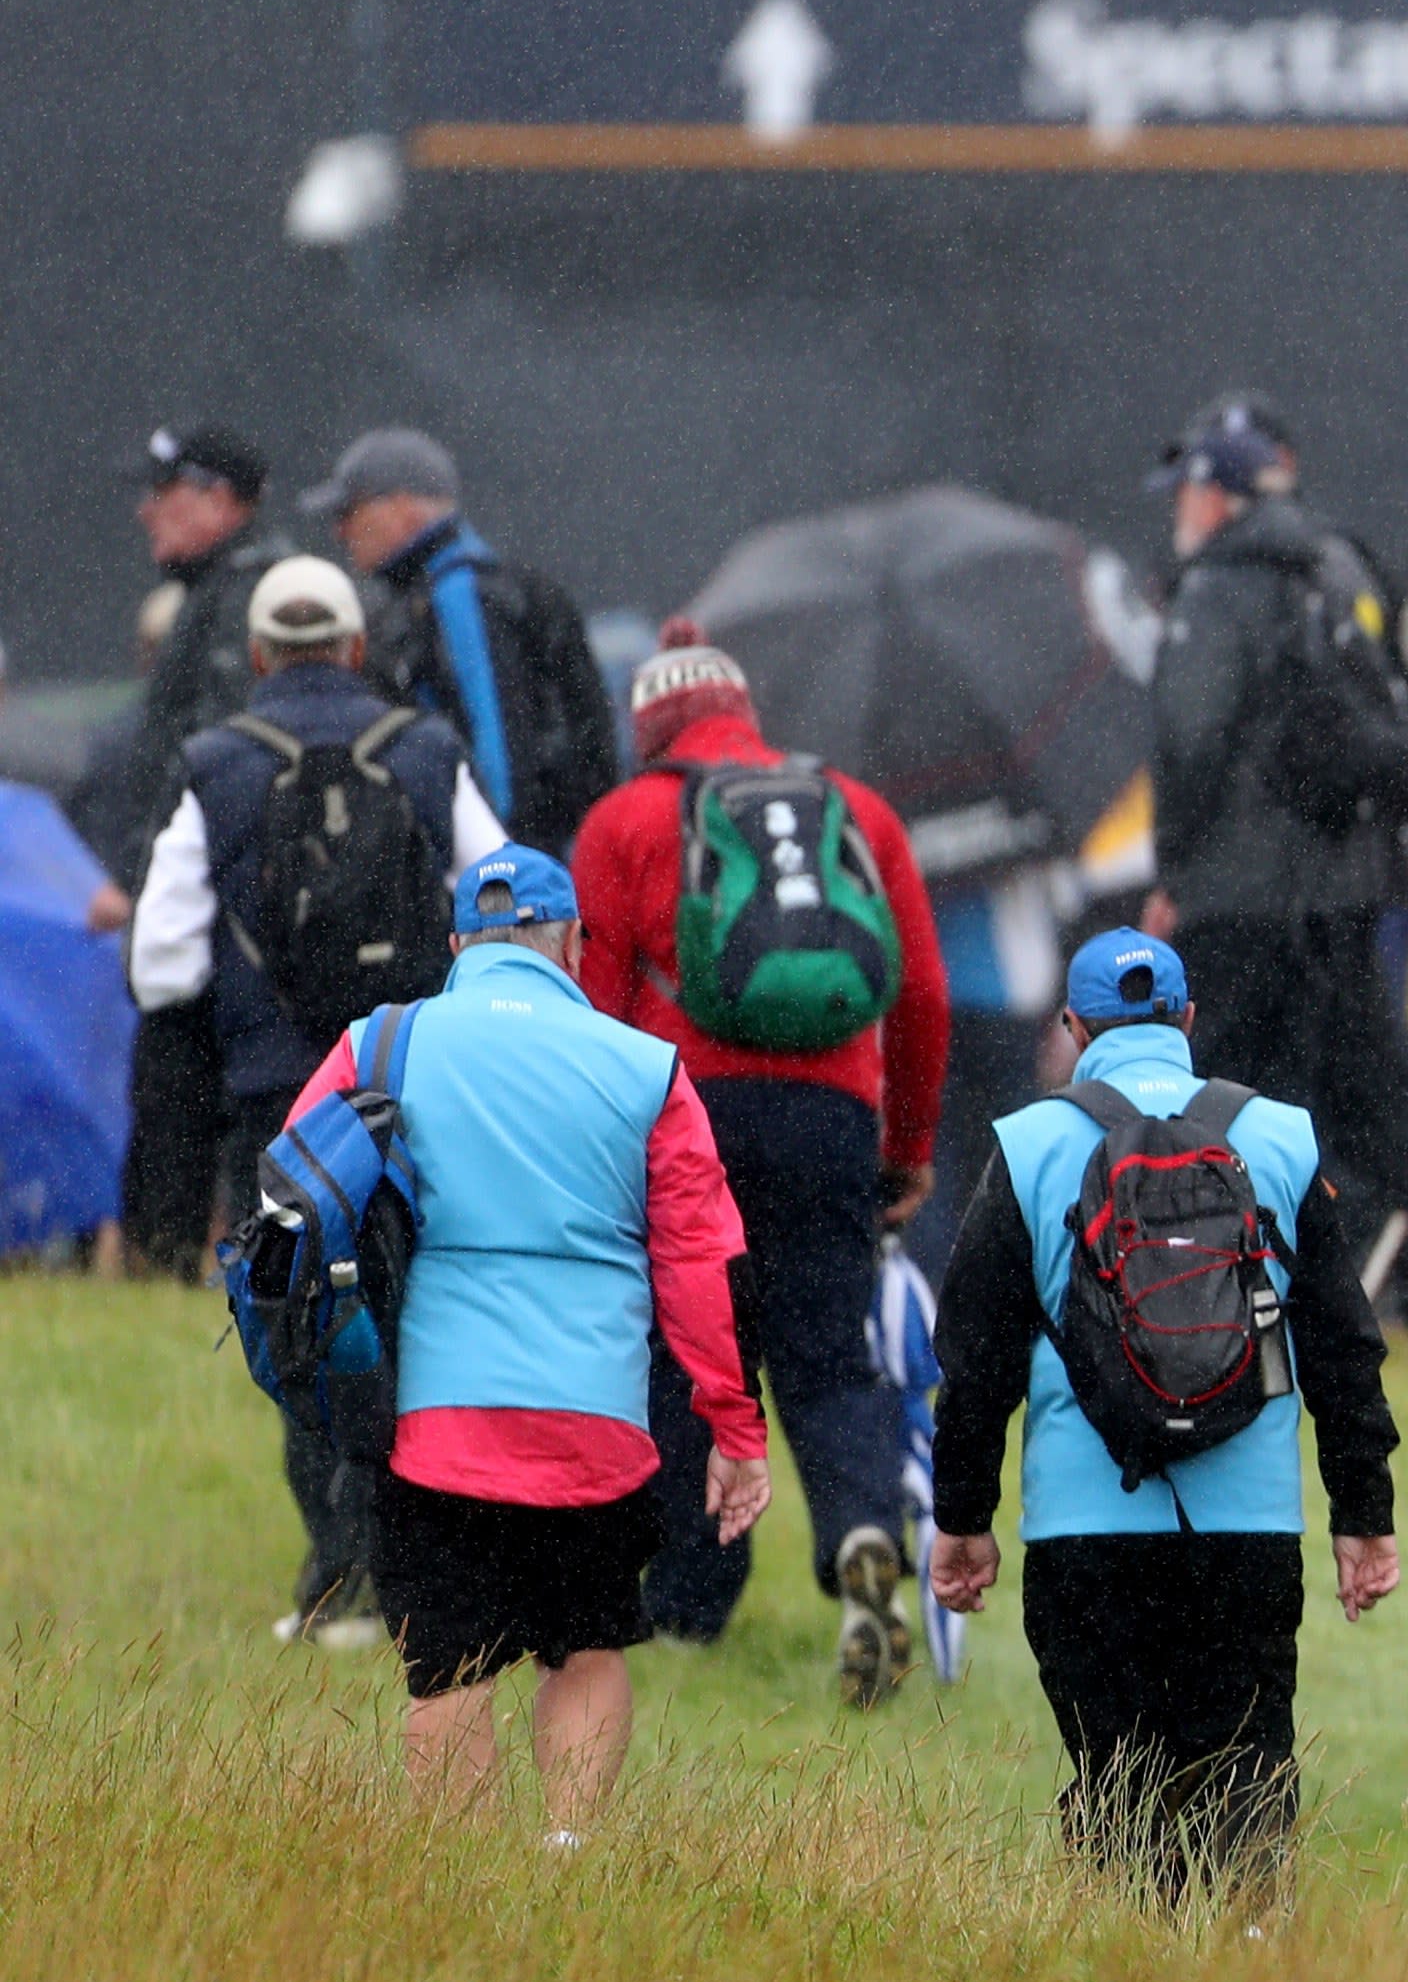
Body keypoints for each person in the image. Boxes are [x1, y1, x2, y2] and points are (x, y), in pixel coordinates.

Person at [282, 846, 772, 1841]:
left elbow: (292, 1195)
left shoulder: (380, 1044)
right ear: (577, 945)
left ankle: (460, 1873)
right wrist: (732, 1424)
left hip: (434, 1420)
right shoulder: (647, 1069)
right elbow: (699, 1258)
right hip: (594, 1423)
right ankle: (570, 1848)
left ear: (458, 944)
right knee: (587, 1644)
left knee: (448, 1662)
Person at [928, 929, 1404, 1904]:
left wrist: (963, 1519)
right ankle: (1248, 1969)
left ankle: (1135, 1975)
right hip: (1248, 1530)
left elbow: (974, 1363)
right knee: (1246, 1771)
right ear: (1187, 1021)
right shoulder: (1281, 1136)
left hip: (1085, 1530)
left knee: (1117, 1782)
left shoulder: (1027, 1147)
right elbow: (1343, 1348)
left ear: (1072, 1028)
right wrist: (1363, 1513)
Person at [565, 621, 955, 1699]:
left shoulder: (626, 819)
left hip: (685, 1120)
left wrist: (603, 1162)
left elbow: (592, 1008)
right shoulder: (858, 810)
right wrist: (907, 1147)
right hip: (832, 1119)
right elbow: (919, 993)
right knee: (830, 1357)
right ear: (745, 711)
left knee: (694, 1361)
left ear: (649, 727)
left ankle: (688, 1605)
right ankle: (865, 1534)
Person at [132, 557, 509, 1643]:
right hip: (416, 1088)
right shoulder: (429, 752)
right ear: (354, 648)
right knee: (418, 1316)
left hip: (281, 1104)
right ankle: (426, 1563)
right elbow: (503, 904)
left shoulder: (213, 764)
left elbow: (160, 964)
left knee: (302, 1320)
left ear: (255, 656)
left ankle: (340, 1575)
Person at [1144, 392, 1408, 1322]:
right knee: (1374, 1106)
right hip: (1349, 893)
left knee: (1229, 1106)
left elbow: (1189, 744)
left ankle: (1237, 1296)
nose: (1178, 514)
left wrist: (1176, 875)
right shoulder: (1348, 563)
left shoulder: (1215, 590)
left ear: (1216, 493)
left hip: (1238, 906)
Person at [79, 424, 291, 1278]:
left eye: (163, 493)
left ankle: (195, 1282)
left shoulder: (243, 595)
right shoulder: (220, 591)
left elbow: (220, 769)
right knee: (182, 1118)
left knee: (188, 1120)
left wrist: (158, 888)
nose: (144, 511)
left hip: (217, 922)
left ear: (216, 499)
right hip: (206, 911)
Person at [307, 428, 623, 854]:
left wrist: (495, 873)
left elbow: (500, 760)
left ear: (402, 506)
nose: (340, 531)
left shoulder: (459, 594)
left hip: (507, 872)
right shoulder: (478, 586)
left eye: (350, 511)